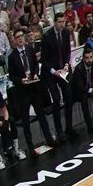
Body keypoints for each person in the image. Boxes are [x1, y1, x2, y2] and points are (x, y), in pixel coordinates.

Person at [6, 30, 54, 154]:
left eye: (21, 36)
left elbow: (35, 65)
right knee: (26, 121)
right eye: (18, 37)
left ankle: (49, 139)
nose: (20, 38)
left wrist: (36, 74)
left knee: (41, 115)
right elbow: (11, 76)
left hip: (34, 88)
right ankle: (31, 147)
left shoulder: (30, 50)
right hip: (22, 91)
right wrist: (20, 80)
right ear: (15, 41)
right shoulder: (12, 57)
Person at [40, 14, 78, 145]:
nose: (62, 24)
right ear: (55, 22)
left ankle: (69, 127)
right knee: (56, 99)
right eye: (60, 22)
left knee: (69, 96)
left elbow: (67, 51)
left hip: (63, 69)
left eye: (63, 22)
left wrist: (67, 64)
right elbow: (43, 59)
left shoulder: (66, 32)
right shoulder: (47, 36)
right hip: (51, 72)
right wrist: (53, 71)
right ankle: (59, 130)